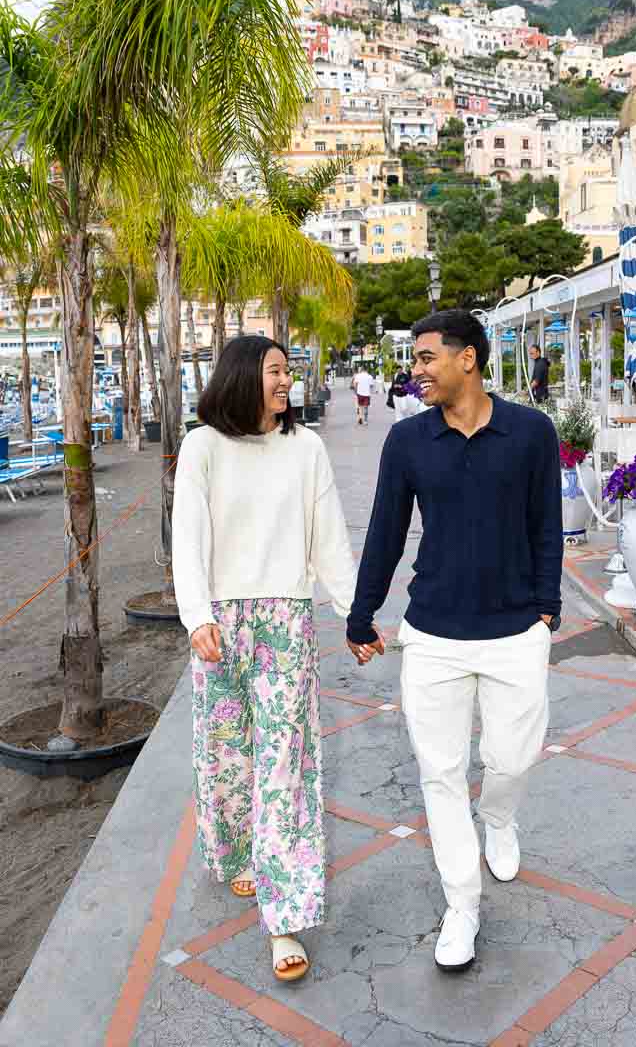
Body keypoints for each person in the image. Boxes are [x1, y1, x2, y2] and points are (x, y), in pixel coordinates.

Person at [346, 310, 563, 974]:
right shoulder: (408, 441)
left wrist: (546, 608)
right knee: (439, 775)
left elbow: (546, 525)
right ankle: (461, 905)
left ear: (468, 358)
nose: (417, 371)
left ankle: (499, 816)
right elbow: (386, 530)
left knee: (511, 758)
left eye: (426, 357)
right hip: (433, 633)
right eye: (415, 360)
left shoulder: (530, 431)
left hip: (515, 631)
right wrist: (362, 614)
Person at [173, 335, 370, 984]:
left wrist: (355, 612)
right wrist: (197, 614)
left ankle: (283, 917)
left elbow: (328, 537)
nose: (288, 381)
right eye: (276, 371)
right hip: (221, 624)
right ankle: (236, 853)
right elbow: (189, 537)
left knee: (286, 767)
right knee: (226, 756)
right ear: (241, 378)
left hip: (285, 620)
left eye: (289, 371)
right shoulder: (203, 446)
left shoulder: (304, 447)